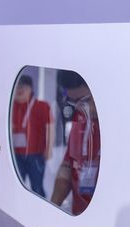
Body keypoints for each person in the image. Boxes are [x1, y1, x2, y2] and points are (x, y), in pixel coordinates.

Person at [50, 72, 101, 215]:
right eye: (73, 101)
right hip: (78, 214)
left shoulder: (115, 130)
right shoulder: (80, 115)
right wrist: (52, 208)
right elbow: (68, 165)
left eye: (83, 100)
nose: (79, 106)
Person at [11, 75, 54, 198]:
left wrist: (49, 149)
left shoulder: (42, 106)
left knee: (37, 187)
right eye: (17, 87)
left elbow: (50, 128)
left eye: (23, 87)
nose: (19, 90)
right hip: (15, 155)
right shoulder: (11, 106)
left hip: (36, 155)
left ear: (30, 88)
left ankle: (41, 208)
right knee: (15, 187)